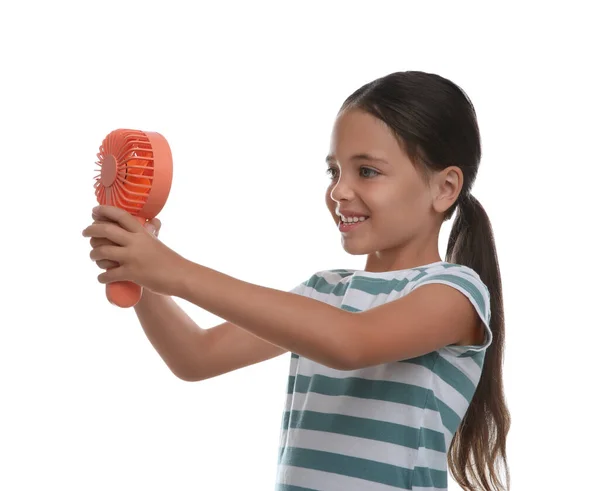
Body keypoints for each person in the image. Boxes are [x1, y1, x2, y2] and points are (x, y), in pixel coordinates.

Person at [83, 70, 510, 491]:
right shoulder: (324, 292)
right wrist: (141, 275)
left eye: (367, 172)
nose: (340, 191)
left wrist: (174, 270)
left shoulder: (455, 293)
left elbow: (350, 343)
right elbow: (195, 356)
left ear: (444, 188)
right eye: (334, 171)